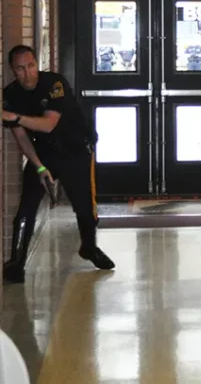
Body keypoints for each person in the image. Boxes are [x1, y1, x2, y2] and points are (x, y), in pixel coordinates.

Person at [1, 45, 115, 284]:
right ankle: (17, 262)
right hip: (43, 153)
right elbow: (21, 136)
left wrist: (16, 118)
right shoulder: (11, 95)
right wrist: (39, 167)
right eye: (21, 69)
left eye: (31, 65)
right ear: (13, 70)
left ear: (36, 63)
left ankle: (89, 247)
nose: (28, 73)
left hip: (75, 149)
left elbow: (49, 124)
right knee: (27, 206)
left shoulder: (54, 84)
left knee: (84, 205)